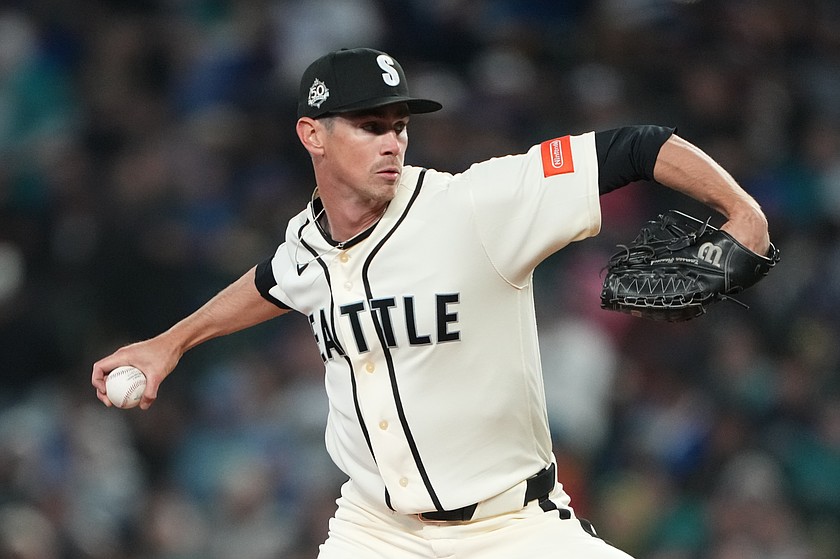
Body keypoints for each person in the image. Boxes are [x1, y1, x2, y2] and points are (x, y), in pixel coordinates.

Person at [92, 47, 772, 558]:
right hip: (376, 532)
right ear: (312, 135)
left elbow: (637, 146)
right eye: (369, 125)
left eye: (399, 125)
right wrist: (169, 344)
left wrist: (744, 215)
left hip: (512, 528)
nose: (392, 141)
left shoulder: (473, 206)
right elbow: (274, 280)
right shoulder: (309, 241)